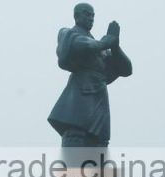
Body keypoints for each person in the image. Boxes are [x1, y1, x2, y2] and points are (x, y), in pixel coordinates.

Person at [48, 3, 132, 147]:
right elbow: (82, 45)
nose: (91, 18)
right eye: (87, 14)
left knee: (100, 144)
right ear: (76, 16)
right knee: (76, 137)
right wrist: (105, 43)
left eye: (93, 15)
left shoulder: (100, 48)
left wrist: (115, 46)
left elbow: (127, 69)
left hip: (99, 97)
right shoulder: (67, 33)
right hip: (80, 94)